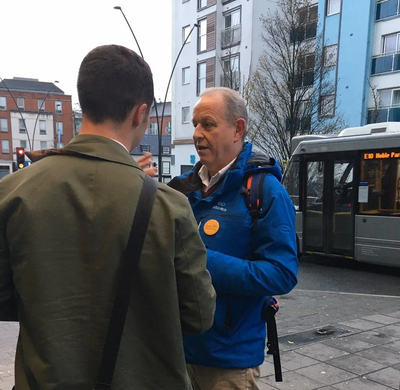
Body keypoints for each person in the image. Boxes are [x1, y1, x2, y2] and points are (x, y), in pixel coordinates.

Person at [0, 45, 216, 389]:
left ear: (85, 102)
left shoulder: (12, 193)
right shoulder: (167, 206)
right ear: (139, 113)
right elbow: (199, 315)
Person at [168, 87, 298, 390]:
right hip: (176, 351)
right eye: (195, 124)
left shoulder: (264, 191)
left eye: (208, 124)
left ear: (237, 128)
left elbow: (282, 274)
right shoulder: (181, 190)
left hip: (229, 362)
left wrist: (200, 262)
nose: (197, 133)